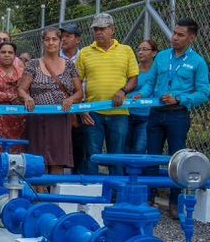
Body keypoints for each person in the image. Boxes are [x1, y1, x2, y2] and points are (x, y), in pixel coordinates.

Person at [134, 19, 210, 216]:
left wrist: (179, 99)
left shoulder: (198, 62)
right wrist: (142, 94)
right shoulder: (162, 57)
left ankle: (174, 203)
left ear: (191, 38)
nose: (175, 38)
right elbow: (151, 83)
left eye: (180, 35)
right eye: (174, 33)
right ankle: (149, 199)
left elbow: (203, 94)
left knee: (177, 159)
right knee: (152, 156)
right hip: (156, 113)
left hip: (178, 115)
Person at [75, 13, 138, 175]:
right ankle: (92, 193)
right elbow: (76, 83)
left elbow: (133, 79)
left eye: (102, 29)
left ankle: (115, 195)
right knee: (92, 155)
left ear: (112, 30)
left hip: (119, 112)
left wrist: (123, 91)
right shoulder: (85, 53)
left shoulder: (126, 51)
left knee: (116, 156)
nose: (98, 32)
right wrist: (82, 108)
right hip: (92, 113)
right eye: (96, 29)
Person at [18, 28, 83, 174]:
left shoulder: (70, 65)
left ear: (60, 42)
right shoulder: (33, 64)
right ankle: (39, 194)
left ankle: (54, 195)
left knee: (58, 159)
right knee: (37, 160)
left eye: (54, 39)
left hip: (60, 119)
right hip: (37, 118)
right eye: (47, 39)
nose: (51, 42)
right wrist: (28, 97)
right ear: (43, 42)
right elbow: (21, 89)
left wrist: (71, 99)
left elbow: (79, 92)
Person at [0, 41, 26, 163]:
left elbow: (27, 90)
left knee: (17, 146)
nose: (6, 55)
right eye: (3, 52)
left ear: (15, 55)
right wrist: (10, 97)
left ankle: (15, 175)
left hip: (18, 117)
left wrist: (21, 98)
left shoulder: (22, 71)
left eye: (10, 52)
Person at [59, 22, 85, 172]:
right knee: (58, 149)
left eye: (68, 36)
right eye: (62, 37)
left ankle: (78, 185)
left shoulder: (85, 56)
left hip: (82, 109)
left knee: (79, 149)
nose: (64, 39)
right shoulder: (54, 57)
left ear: (78, 39)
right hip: (59, 110)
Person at [126, 39, 159, 154]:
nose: (140, 52)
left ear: (154, 53)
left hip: (147, 117)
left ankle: (136, 172)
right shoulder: (131, 70)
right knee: (125, 150)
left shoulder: (159, 71)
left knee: (139, 149)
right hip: (128, 114)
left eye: (145, 49)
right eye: (139, 49)